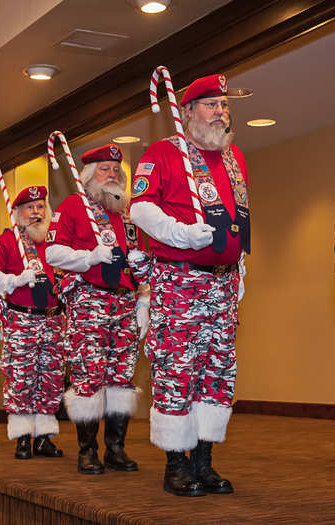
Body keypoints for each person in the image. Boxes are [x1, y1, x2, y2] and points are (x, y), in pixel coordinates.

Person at [129, 74, 249, 496]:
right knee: (179, 369)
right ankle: (175, 464)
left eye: (224, 105)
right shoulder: (164, 153)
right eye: (212, 104)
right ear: (189, 111)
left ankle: (204, 462)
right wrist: (181, 233)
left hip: (223, 284)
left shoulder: (233, 158)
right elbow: (140, 209)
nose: (221, 112)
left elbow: (238, 220)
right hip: (181, 280)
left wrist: (239, 268)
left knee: (216, 371)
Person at [46, 145, 149, 474]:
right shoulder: (74, 206)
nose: (114, 174)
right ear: (89, 174)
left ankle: (115, 448)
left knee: (122, 377)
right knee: (89, 376)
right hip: (90, 299)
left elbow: (140, 261)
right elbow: (53, 254)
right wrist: (90, 257)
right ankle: (86, 449)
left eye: (117, 169)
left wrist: (144, 300)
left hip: (125, 300)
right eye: (105, 169)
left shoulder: (127, 213)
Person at [0, 185, 65, 460]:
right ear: (18, 212)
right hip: (22, 319)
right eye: (30, 208)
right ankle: (22, 437)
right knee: (21, 378)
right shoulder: (7, 239)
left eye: (40, 206)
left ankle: (44, 437)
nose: (36, 212)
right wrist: (16, 280)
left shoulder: (54, 239)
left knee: (51, 379)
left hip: (53, 320)